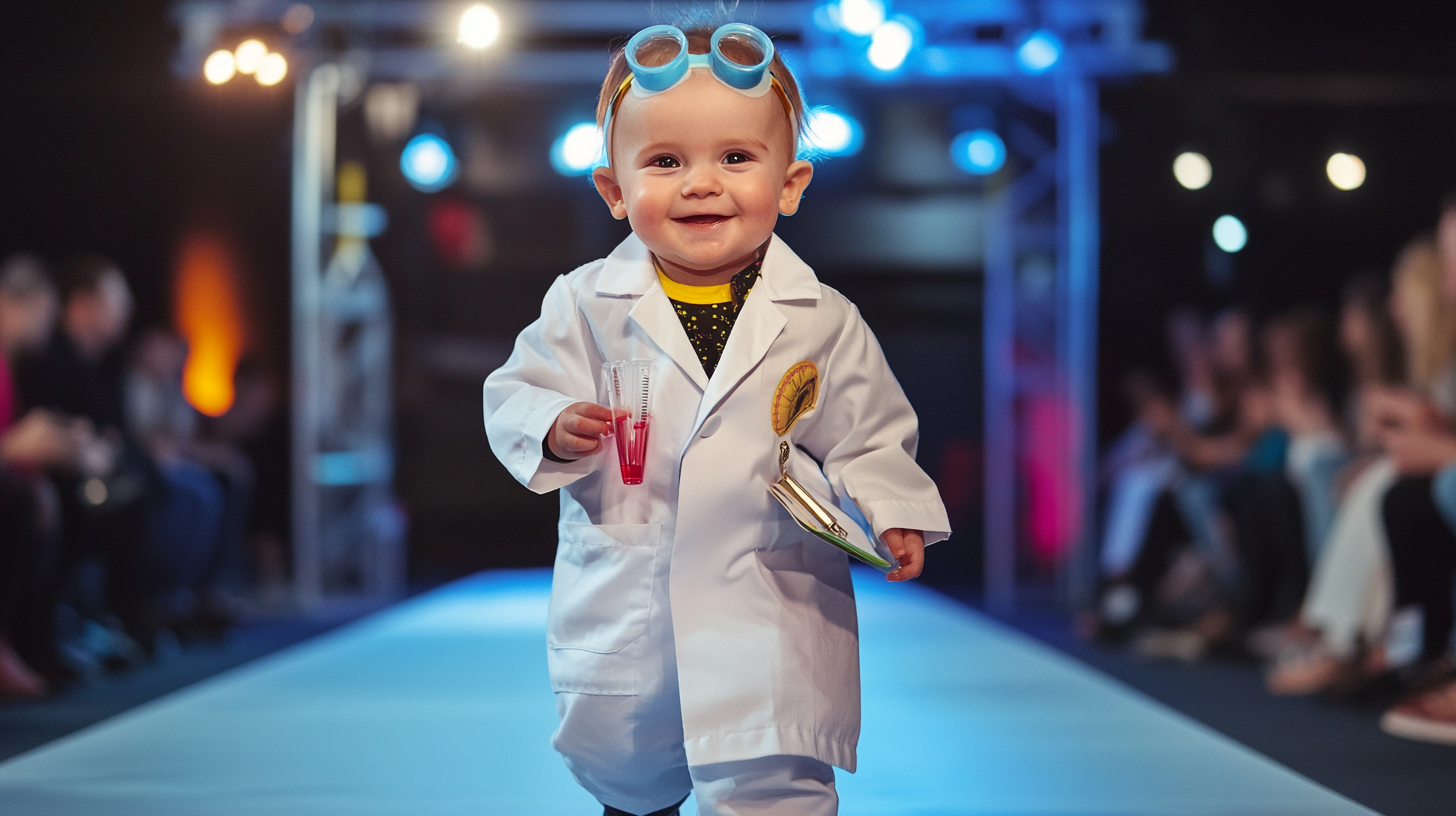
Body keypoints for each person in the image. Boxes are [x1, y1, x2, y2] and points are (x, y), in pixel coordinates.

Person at [483, 18, 950, 816]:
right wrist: (556, 421)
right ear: (615, 190)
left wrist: (894, 507)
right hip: (633, 592)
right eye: (665, 162)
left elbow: (867, 432)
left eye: (736, 158)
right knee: (632, 778)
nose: (702, 183)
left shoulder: (822, 318)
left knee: (776, 781)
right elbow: (516, 392)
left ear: (793, 183)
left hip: (771, 593)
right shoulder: (586, 301)